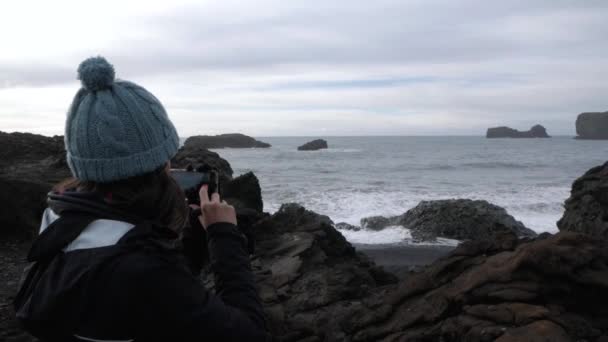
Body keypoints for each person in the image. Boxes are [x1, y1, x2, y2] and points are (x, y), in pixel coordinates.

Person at [14, 57, 269, 341]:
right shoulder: (144, 271)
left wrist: (188, 240)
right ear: (161, 163)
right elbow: (250, 333)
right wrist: (223, 235)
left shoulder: (59, 216)